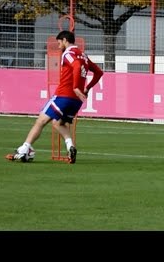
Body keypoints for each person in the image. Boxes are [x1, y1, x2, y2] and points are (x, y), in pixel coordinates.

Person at [6, 30, 104, 163]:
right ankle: (71, 146)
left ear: (64, 40)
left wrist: (75, 87)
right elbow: (98, 72)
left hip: (63, 95)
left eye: (59, 43)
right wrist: (87, 88)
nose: (58, 46)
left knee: (40, 121)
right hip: (76, 100)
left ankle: (24, 149)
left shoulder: (68, 53)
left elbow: (75, 66)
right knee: (58, 123)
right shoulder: (83, 55)